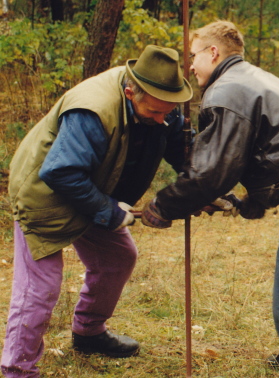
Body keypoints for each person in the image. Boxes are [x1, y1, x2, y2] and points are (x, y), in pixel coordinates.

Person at [139, 21, 279, 378]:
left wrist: (163, 206)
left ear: (213, 53)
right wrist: (247, 202)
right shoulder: (251, 77)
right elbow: (266, 150)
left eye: (193, 56)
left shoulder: (225, 90)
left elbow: (212, 171)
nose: (190, 66)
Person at [2, 45, 192, 377]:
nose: (164, 120)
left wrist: (204, 185)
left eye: (168, 112)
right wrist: (109, 211)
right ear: (131, 92)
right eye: (156, 112)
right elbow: (61, 172)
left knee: (118, 257)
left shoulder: (163, 101)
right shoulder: (93, 110)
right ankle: (17, 369)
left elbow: (181, 149)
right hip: (46, 195)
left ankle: (89, 332)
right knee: (41, 287)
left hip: (93, 189)